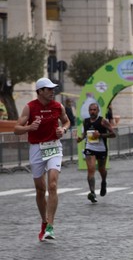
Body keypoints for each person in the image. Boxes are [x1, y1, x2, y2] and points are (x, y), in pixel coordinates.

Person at [14, 77, 70, 241]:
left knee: (52, 184)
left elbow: (66, 122)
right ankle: (44, 222)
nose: (52, 92)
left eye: (53, 89)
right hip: (36, 148)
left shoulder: (58, 106)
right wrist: (29, 128)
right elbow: (16, 129)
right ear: (39, 91)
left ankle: (51, 227)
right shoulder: (29, 107)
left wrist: (63, 129)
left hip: (54, 146)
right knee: (40, 189)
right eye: (49, 89)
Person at [77, 103, 116, 203]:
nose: (92, 112)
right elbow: (85, 133)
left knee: (101, 169)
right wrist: (80, 138)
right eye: (90, 110)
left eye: (94, 110)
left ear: (98, 111)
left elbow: (113, 134)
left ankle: (103, 181)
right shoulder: (85, 121)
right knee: (91, 169)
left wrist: (100, 135)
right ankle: (92, 192)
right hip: (90, 148)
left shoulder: (103, 121)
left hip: (101, 149)